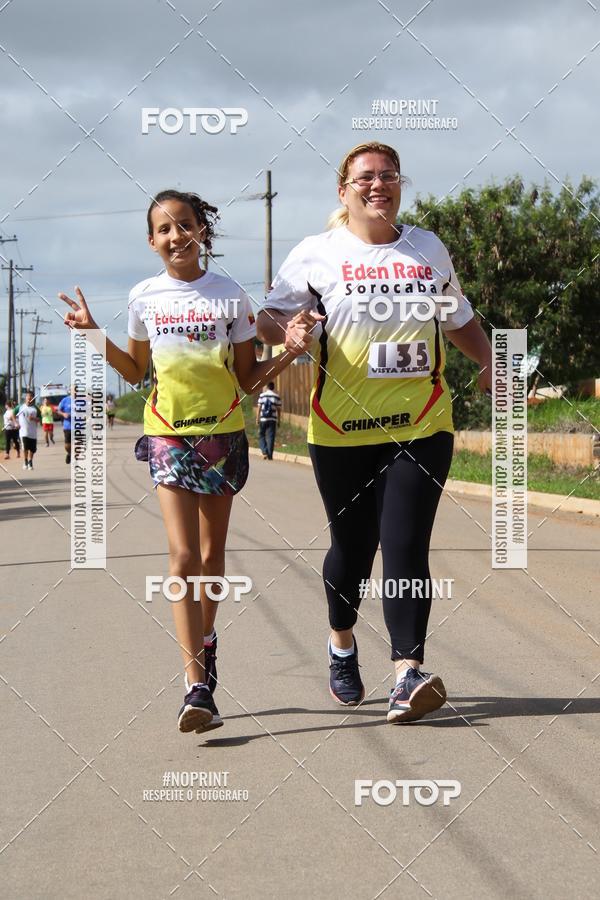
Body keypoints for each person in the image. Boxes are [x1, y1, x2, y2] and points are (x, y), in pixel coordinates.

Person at [257, 141, 492, 724]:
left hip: (422, 423)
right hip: (341, 430)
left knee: (406, 545)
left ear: (400, 185)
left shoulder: (425, 248)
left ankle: (406, 674)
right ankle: (342, 643)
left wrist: (491, 363)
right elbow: (265, 319)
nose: (378, 184)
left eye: (389, 175)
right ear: (344, 191)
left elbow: (456, 317)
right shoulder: (317, 254)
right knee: (353, 551)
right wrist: (292, 328)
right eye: (365, 177)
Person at [59, 188, 310, 735]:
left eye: (185, 225)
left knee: (211, 555)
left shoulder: (231, 296)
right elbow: (133, 371)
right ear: (152, 242)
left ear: (202, 232)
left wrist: (288, 352)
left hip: (221, 435)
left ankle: (206, 639)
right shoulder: (145, 296)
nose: (176, 236)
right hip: (168, 435)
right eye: (165, 229)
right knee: (180, 558)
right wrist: (92, 331)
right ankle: (196, 685)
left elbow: (247, 379)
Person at [256, 380, 281, 459]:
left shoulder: (262, 396)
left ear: (267, 387)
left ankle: (264, 451)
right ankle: (270, 455)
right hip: (272, 419)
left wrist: (257, 418)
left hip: (263, 419)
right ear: (273, 387)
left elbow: (259, 407)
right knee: (271, 436)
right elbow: (279, 409)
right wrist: (279, 420)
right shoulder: (276, 396)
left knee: (261, 435)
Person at [17, 391, 39, 471]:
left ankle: (30, 461)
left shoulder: (35, 408)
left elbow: (39, 419)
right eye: (28, 396)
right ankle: (26, 461)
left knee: (32, 449)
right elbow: (13, 414)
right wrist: (16, 423)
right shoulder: (20, 407)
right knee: (25, 447)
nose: (29, 398)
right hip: (23, 432)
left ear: (33, 398)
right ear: (25, 398)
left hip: (32, 432)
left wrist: (34, 419)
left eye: (31, 397)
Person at [57, 391, 72, 463]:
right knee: (67, 445)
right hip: (68, 426)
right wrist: (63, 414)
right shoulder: (65, 400)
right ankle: (69, 453)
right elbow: (58, 411)